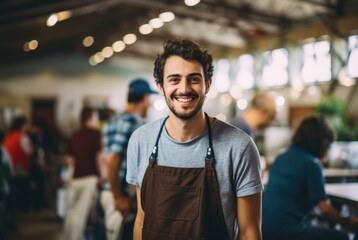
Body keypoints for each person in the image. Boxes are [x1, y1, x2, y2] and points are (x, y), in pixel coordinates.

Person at [126, 39, 263, 240]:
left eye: (194, 79)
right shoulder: (141, 140)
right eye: (174, 79)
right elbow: (141, 219)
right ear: (160, 87)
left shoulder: (239, 146)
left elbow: (249, 232)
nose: (184, 89)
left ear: (207, 85)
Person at [262, 116, 358, 240]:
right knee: (342, 237)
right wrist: (347, 222)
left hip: (262, 229)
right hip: (286, 231)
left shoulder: (281, 157)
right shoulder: (311, 164)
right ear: (322, 142)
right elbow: (324, 208)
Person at [101, 78, 157, 240]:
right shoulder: (133, 123)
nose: (149, 104)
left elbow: (107, 158)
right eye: (149, 100)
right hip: (120, 195)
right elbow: (113, 159)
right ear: (145, 98)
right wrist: (118, 196)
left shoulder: (112, 121)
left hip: (108, 190)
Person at [63, 107, 102, 240]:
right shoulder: (96, 134)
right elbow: (99, 157)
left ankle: (67, 237)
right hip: (89, 177)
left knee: (71, 212)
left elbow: (69, 158)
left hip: (75, 178)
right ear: (91, 117)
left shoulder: (75, 134)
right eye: (96, 117)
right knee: (81, 215)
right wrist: (102, 176)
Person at [3, 116, 33, 212]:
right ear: (23, 125)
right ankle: (26, 206)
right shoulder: (23, 136)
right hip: (18, 168)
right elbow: (29, 152)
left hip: (7, 169)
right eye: (27, 124)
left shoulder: (8, 136)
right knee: (37, 174)